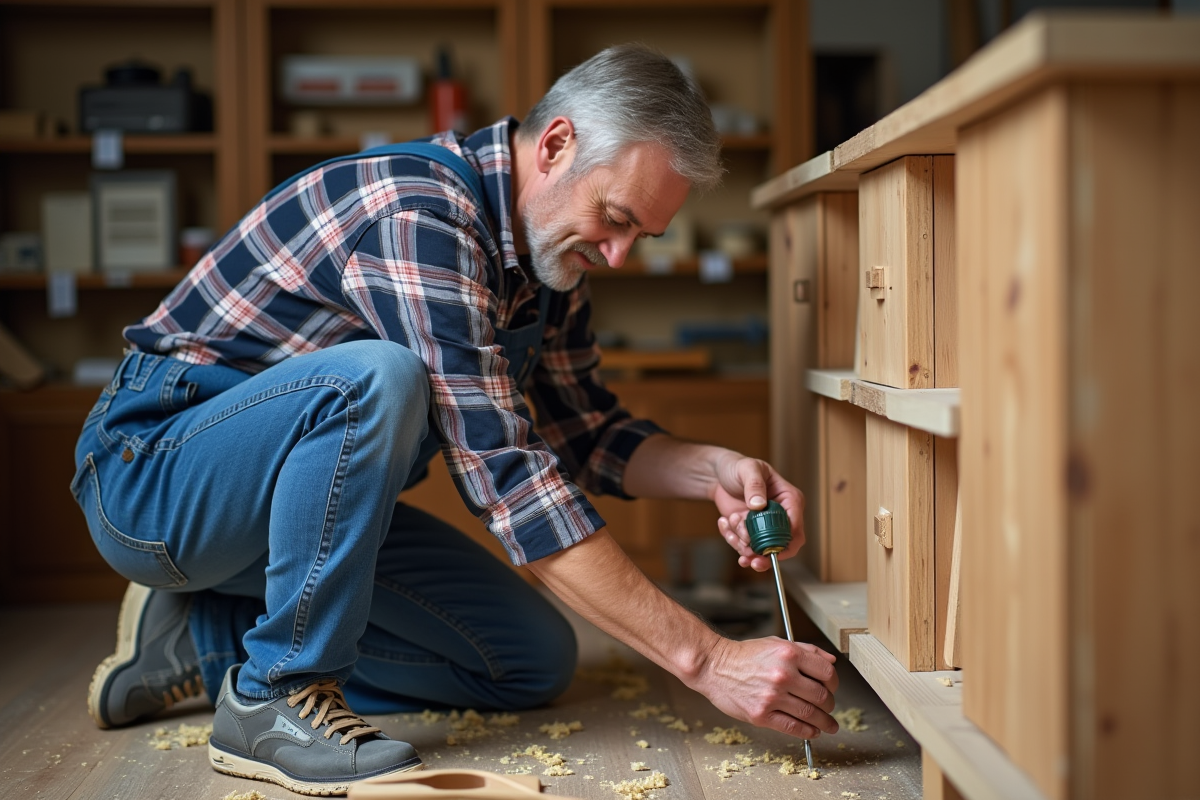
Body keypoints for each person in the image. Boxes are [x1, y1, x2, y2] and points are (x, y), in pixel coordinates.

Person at [72, 44, 839, 796]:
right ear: (557, 142)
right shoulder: (420, 213)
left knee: (525, 659)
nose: (617, 254)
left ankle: (198, 645)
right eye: (614, 218)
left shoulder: (549, 264)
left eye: (640, 235)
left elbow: (590, 436)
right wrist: (707, 661)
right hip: (152, 479)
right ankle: (277, 693)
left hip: (281, 519)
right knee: (373, 377)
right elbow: (511, 482)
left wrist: (716, 471)